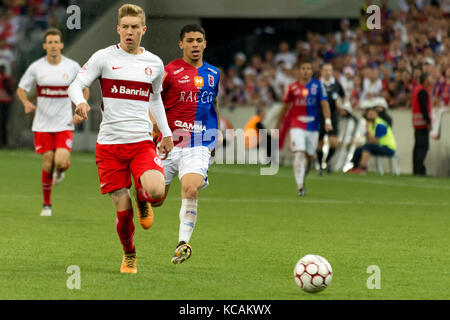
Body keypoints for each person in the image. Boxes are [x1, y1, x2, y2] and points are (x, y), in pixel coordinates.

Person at [67, 4, 174, 274]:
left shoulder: (155, 64)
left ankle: (143, 197)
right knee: (122, 211)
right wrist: (80, 102)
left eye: (134, 27)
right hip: (110, 146)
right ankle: (129, 255)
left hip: (140, 142)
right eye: (125, 27)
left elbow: (156, 99)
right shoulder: (104, 57)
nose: (129, 31)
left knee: (157, 192)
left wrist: (167, 133)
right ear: (118, 29)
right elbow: (75, 85)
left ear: (143, 30)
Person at [148, 24, 220, 265]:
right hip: (169, 142)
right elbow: (153, 101)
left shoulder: (214, 73)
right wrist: (153, 130)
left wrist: (214, 136)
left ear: (205, 43)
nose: (195, 44)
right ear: (181, 44)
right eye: (190, 40)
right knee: (155, 198)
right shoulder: (169, 71)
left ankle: (182, 244)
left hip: (199, 142)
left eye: (199, 40)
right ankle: (142, 200)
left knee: (190, 188)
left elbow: (213, 104)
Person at [16, 28, 88, 217]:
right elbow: (21, 89)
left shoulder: (72, 66)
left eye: (57, 42)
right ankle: (47, 205)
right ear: (45, 46)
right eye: (50, 42)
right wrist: (25, 103)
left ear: (61, 45)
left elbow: (84, 87)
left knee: (61, 162)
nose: (54, 45)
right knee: (48, 163)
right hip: (42, 124)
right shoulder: (36, 67)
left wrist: (81, 107)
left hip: (64, 123)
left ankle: (62, 169)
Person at [274, 60, 332, 196]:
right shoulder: (292, 87)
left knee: (310, 155)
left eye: (308, 69)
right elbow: (284, 108)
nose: (306, 71)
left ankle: (305, 171)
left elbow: (324, 104)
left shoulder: (318, 86)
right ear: (299, 71)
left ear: (311, 71)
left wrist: (328, 121)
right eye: (303, 68)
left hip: (313, 125)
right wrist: (278, 125)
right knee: (299, 152)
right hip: (297, 124)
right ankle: (300, 186)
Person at [347, 106, 397, 174]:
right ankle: (355, 167)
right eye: (369, 114)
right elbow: (369, 140)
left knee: (367, 146)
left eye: (372, 114)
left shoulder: (381, 124)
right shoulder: (370, 124)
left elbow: (375, 141)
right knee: (360, 148)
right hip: (378, 146)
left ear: (377, 115)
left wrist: (367, 131)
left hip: (388, 147)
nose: (370, 116)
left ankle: (362, 168)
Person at [317, 63, 345, 174]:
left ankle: (326, 162)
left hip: (333, 117)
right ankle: (319, 165)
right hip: (319, 116)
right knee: (319, 144)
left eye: (329, 70)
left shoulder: (337, 85)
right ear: (322, 72)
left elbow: (342, 97)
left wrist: (341, 104)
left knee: (333, 142)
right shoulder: (317, 85)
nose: (327, 72)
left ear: (332, 72)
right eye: (325, 70)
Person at [411, 72, 432, 176]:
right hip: (422, 124)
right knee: (423, 147)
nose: (431, 80)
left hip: (417, 124)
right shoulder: (422, 91)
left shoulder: (416, 89)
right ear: (425, 80)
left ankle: (416, 169)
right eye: (429, 78)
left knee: (417, 147)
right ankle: (420, 169)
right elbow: (424, 108)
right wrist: (428, 122)